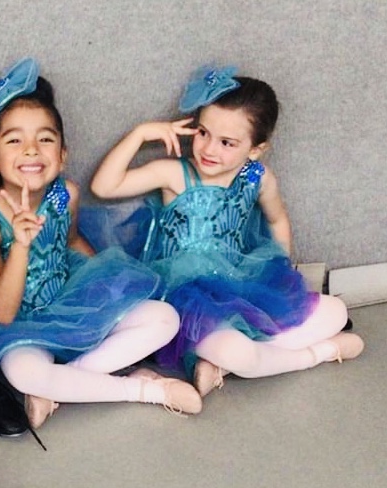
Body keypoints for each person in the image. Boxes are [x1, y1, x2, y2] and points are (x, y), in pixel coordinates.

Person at [90, 65, 364, 395]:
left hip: (241, 281)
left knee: (334, 311)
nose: (209, 149)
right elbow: (105, 187)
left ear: (255, 149)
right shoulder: (175, 174)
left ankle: (227, 363)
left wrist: (283, 274)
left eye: (227, 142)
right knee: (236, 350)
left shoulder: (257, 178)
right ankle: (318, 353)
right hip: (186, 295)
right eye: (203, 133)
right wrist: (140, 134)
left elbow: (277, 220)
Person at [0, 58, 201, 432]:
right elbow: (1, 314)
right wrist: (22, 246)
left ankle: (61, 386)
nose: (30, 150)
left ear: (62, 155)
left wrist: (111, 292)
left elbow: (72, 239)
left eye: (45, 139)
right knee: (24, 371)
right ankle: (146, 389)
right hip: (19, 323)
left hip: (69, 302)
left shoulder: (66, 195)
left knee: (164, 318)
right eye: (14, 140)